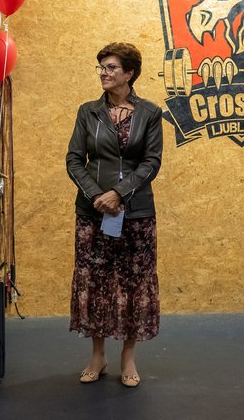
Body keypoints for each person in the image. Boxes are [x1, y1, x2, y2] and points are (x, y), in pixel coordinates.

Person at [66, 42, 163, 388]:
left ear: (129, 73)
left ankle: (128, 357)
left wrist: (120, 193)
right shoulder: (87, 112)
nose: (104, 73)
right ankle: (97, 355)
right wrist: (97, 196)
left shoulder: (150, 113)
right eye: (101, 68)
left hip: (136, 214)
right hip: (92, 213)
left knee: (133, 284)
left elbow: (151, 162)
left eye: (110, 67)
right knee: (96, 282)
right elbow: (74, 160)